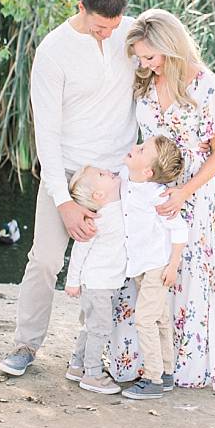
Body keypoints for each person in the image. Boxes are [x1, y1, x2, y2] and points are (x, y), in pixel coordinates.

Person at [0, 0, 138, 376]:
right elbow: (47, 132)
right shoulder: (54, 51)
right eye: (99, 27)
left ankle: (91, 352)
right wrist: (63, 201)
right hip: (68, 172)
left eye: (112, 27)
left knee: (111, 267)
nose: (105, 35)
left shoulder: (128, 34)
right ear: (80, 8)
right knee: (44, 259)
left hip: (115, 177)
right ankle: (26, 344)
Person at [109, 8, 215, 391]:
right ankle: (139, 362)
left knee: (186, 277)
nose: (145, 64)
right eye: (140, 58)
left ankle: (185, 367)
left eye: (150, 56)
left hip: (191, 194)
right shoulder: (144, 83)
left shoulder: (207, 86)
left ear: (170, 47)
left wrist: (183, 191)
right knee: (142, 270)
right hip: (146, 193)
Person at [117, 135, 188, 400]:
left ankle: (152, 379)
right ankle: (167, 372)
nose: (134, 147)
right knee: (159, 319)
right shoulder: (125, 178)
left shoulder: (157, 195)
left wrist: (173, 266)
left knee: (145, 319)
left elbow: (180, 230)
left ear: (148, 171)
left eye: (142, 148)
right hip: (139, 264)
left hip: (157, 267)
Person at [63, 166, 126, 394]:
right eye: (102, 175)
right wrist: (72, 282)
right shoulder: (97, 219)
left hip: (104, 282)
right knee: (100, 328)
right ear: (98, 196)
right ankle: (92, 374)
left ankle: (76, 365)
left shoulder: (117, 206)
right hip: (98, 283)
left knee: (90, 326)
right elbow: (79, 250)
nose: (108, 172)